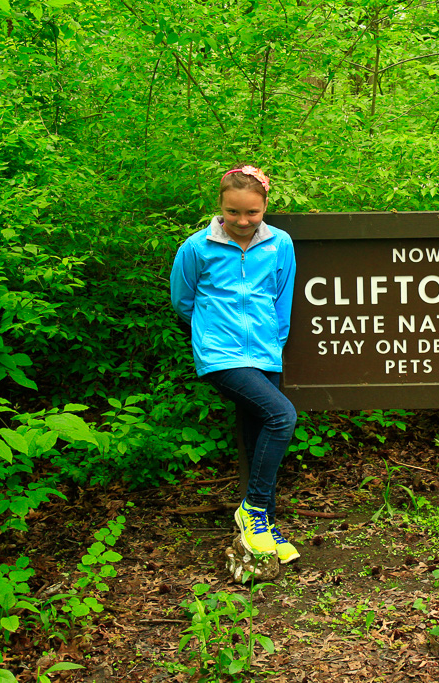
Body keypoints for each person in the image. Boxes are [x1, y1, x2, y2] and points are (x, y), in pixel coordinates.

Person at [170, 165, 300, 563]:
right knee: (282, 417)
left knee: (260, 431)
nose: (242, 221)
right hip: (222, 355)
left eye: (252, 213)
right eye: (233, 212)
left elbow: (282, 300)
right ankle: (254, 510)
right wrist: (213, 334)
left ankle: (267, 529)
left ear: (264, 207)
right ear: (220, 207)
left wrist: (273, 345)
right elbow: (182, 300)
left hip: (265, 351)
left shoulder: (280, 244)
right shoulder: (197, 248)